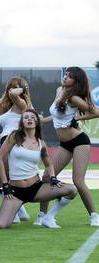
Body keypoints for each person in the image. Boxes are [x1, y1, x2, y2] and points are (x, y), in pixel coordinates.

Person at [0, 109, 78, 229]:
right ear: (22, 122)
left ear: (37, 122)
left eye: (33, 117)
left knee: (72, 190)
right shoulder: (14, 136)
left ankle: (48, 217)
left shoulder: (41, 144)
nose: (29, 119)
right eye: (26, 117)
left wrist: (53, 177)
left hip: (36, 189)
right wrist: (5, 184)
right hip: (15, 191)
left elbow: (48, 164)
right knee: (1, 225)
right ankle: (9, 213)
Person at [37, 67, 99, 227]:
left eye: (70, 76)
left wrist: (77, 117)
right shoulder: (59, 91)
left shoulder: (74, 98)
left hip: (79, 141)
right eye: (65, 74)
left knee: (78, 180)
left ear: (76, 81)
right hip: (64, 144)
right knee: (46, 178)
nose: (65, 78)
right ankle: (42, 216)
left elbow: (96, 112)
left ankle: (94, 216)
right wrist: (43, 121)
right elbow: (58, 114)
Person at [0, 77, 34, 223]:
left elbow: (15, 94)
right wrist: (6, 93)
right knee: (2, 180)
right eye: (10, 87)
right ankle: (20, 212)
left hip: (13, 140)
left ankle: (12, 213)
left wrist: (21, 89)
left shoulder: (22, 103)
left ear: (21, 89)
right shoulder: (11, 105)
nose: (11, 90)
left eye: (15, 87)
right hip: (6, 140)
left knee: (3, 179)